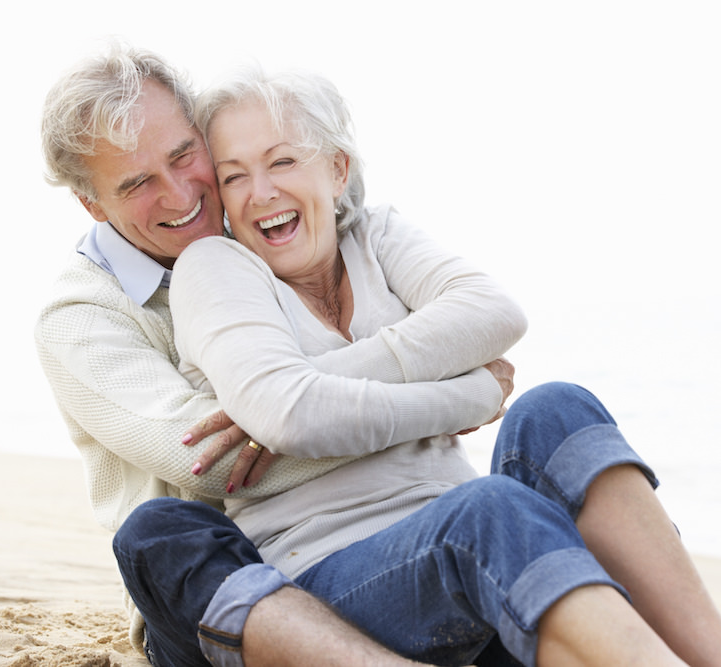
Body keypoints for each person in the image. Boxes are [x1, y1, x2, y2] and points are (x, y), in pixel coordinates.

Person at [132, 65, 721, 666]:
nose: (261, 192)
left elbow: (495, 313)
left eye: (284, 161)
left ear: (337, 169)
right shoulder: (216, 267)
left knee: (558, 407)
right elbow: (293, 416)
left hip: (475, 548)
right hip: (335, 576)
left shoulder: (376, 238)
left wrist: (321, 386)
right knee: (490, 509)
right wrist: (471, 396)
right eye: (235, 176)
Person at [35, 43, 439, 666]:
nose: (178, 195)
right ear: (93, 205)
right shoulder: (79, 319)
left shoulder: (261, 235)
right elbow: (214, 463)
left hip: (342, 544)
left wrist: (310, 404)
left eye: (182, 155)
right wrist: (443, 401)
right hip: (214, 592)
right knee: (160, 531)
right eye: (138, 182)